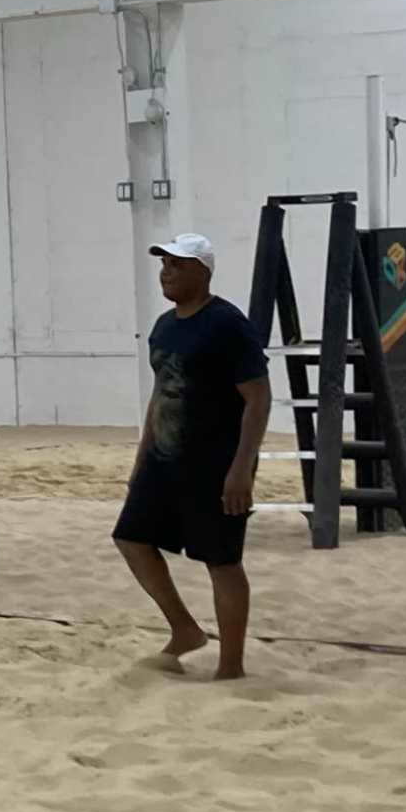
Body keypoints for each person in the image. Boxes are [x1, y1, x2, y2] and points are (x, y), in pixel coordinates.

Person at [111, 231, 272, 681]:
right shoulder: (163, 327)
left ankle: (230, 667)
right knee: (131, 539)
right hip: (164, 461)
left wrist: (242, 469)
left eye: (177, 264)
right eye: (164, 263)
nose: (166, 271)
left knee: (221, 561)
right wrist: (142, 459)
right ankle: (184, 628)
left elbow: (258, 398)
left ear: (202, 271)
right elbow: (161, 395)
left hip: (215, 466)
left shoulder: (227, 325)